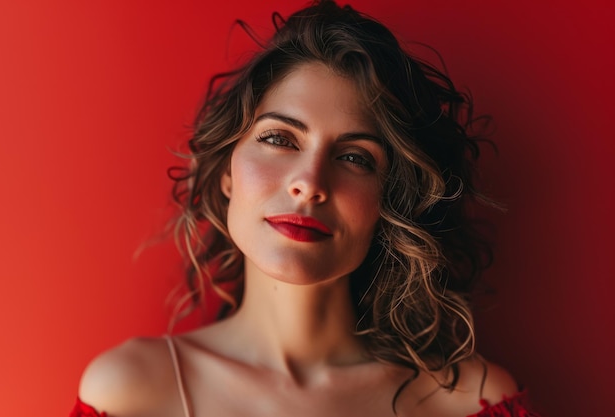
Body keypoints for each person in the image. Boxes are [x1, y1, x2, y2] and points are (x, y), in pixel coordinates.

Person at [71, 1, 542, 416]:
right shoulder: (131, 393)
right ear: (226, 173)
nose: (310, 184)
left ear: (390, 200)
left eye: (355, 158)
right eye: (279, 139)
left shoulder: (467, 402)